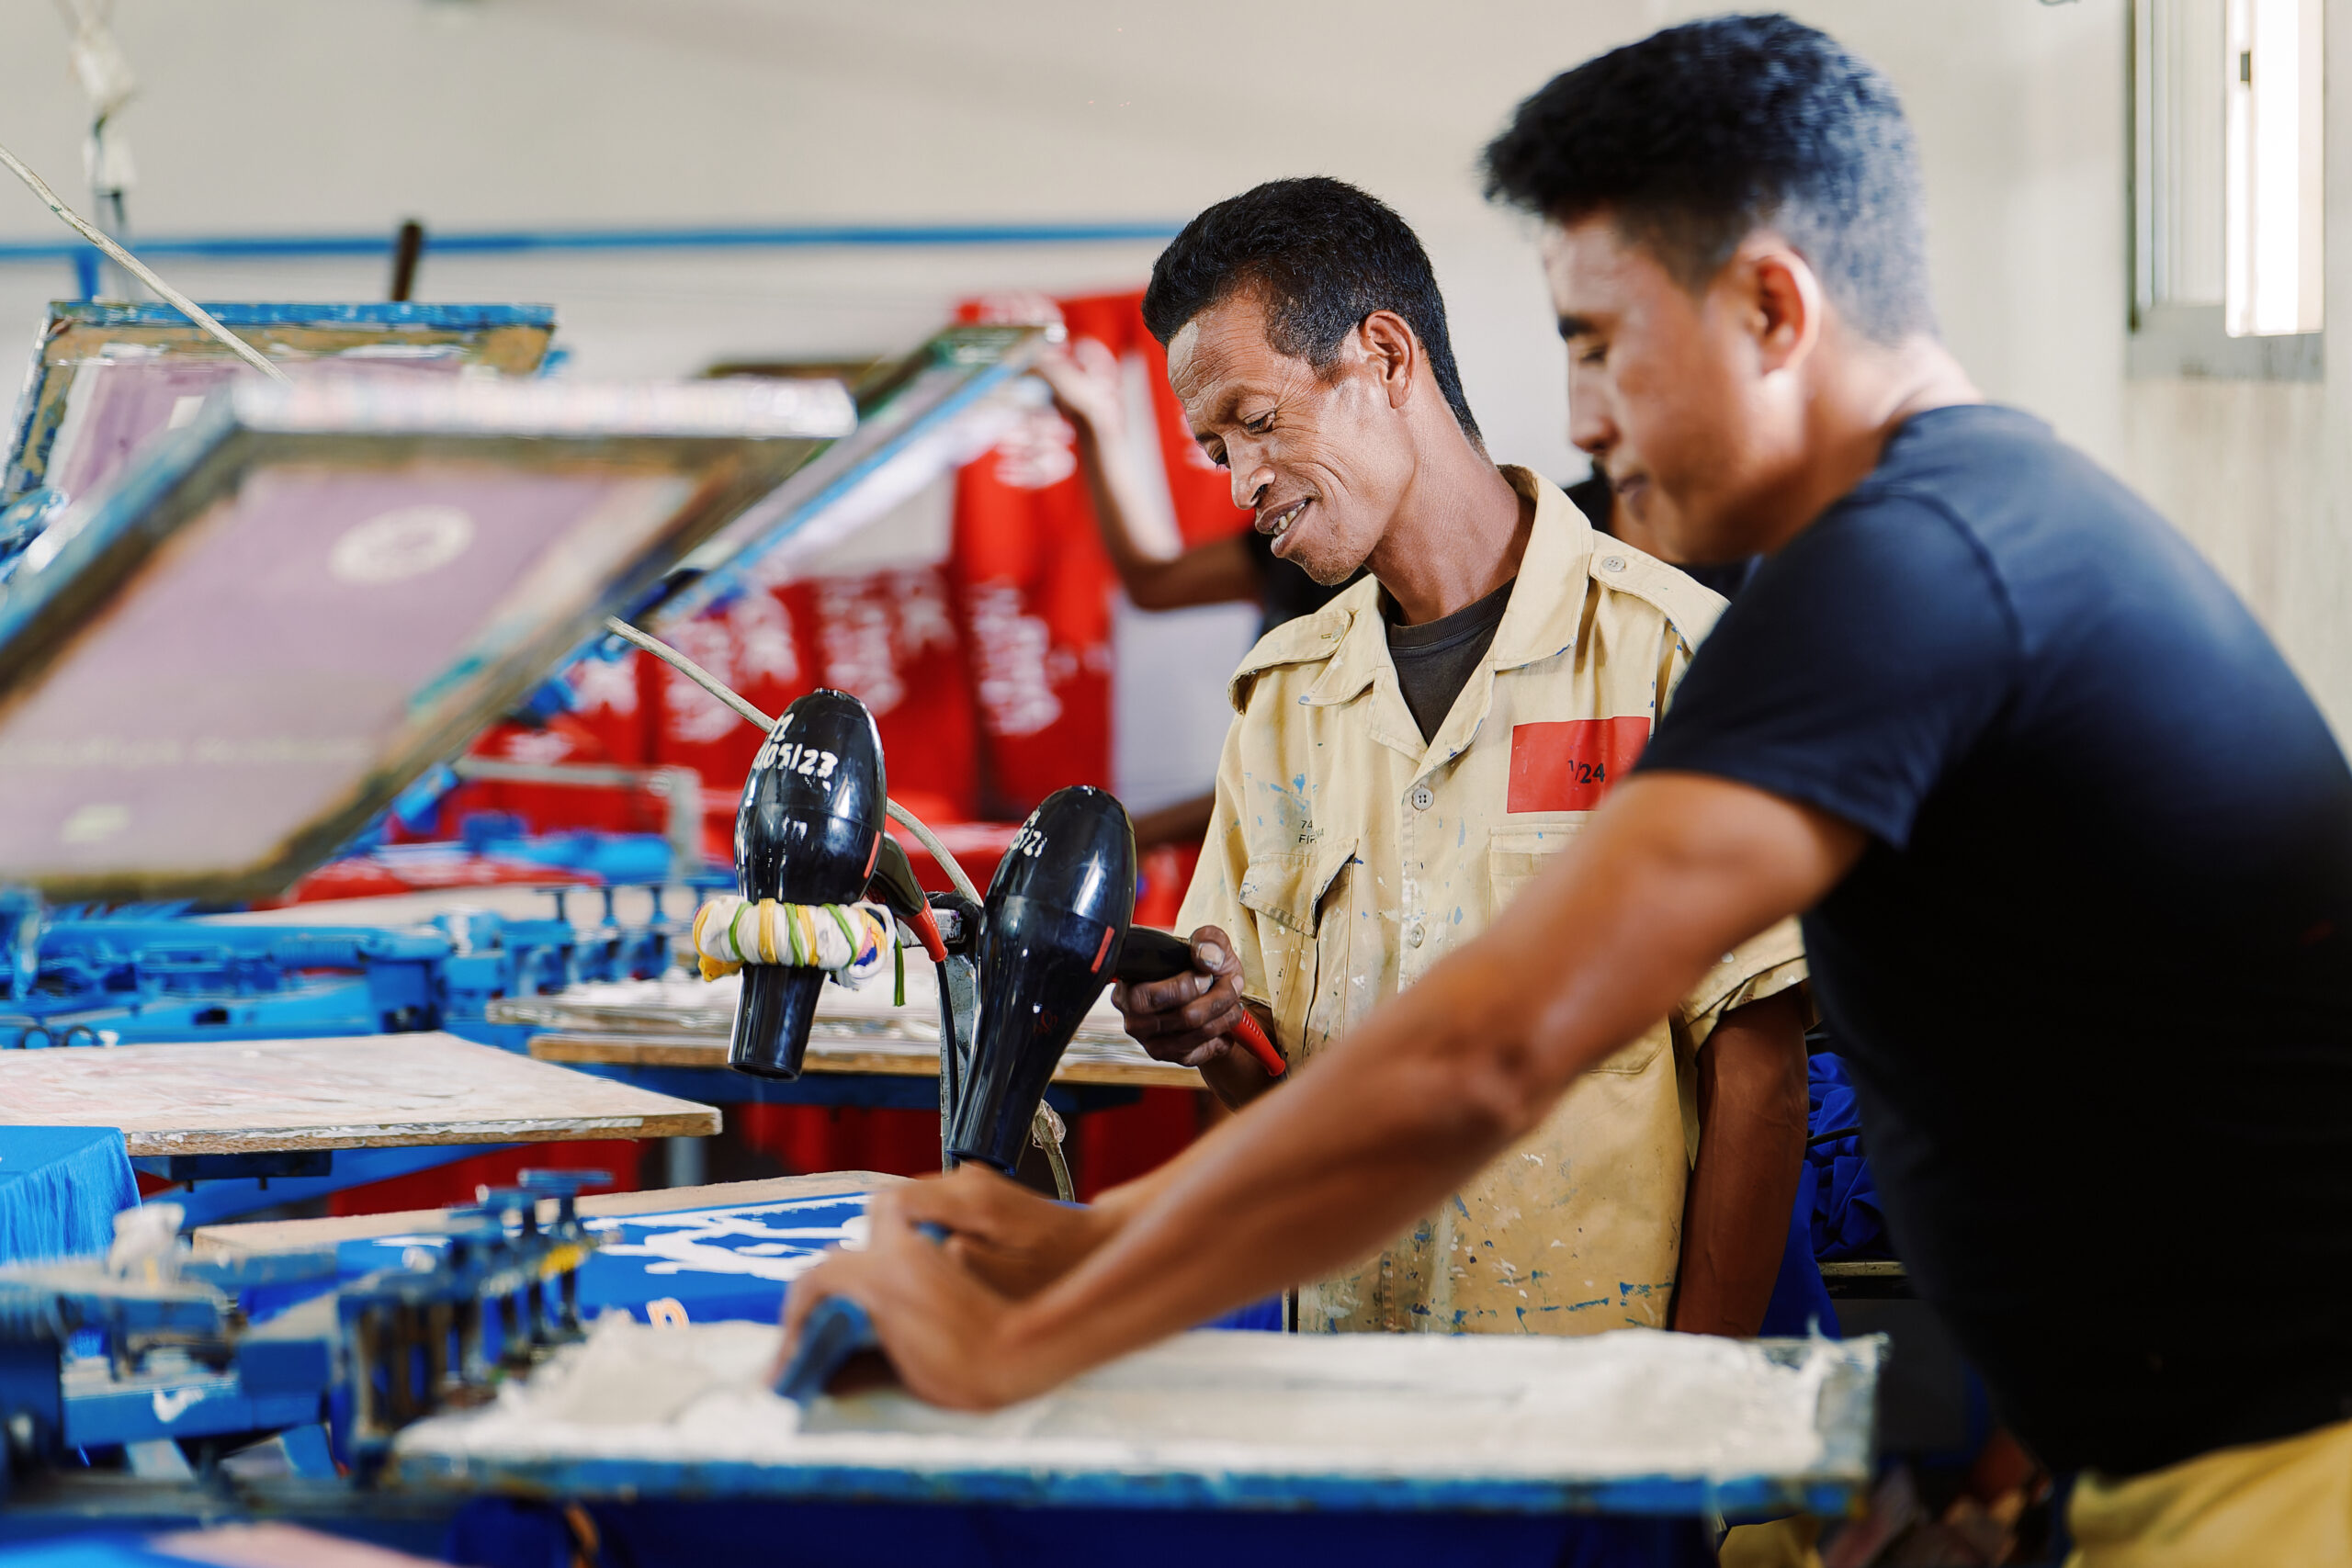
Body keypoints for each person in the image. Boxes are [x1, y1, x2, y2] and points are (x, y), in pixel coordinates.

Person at [785, 19, 2352, 1563]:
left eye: (1602, 345)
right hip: (2161, 1464)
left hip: (2282, 1484)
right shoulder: (1980, 526)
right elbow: (2099, 1102)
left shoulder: (1902, 574)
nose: (1585, 415)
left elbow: (1495, 1045)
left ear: (1770, 308)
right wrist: (2011, 1487)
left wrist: (1059, 1298)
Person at [1096, 175, 1812, 1346]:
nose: (1242, 485)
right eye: (1213, 449)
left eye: (1257, 421)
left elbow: (1758, 1073)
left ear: (1384, 357)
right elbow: (1275, 1103)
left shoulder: (1664, 657)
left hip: (1594, 1420)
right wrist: (1211, 1032)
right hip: (1358, 1405)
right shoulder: (1281, 704)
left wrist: (1691, 1425)